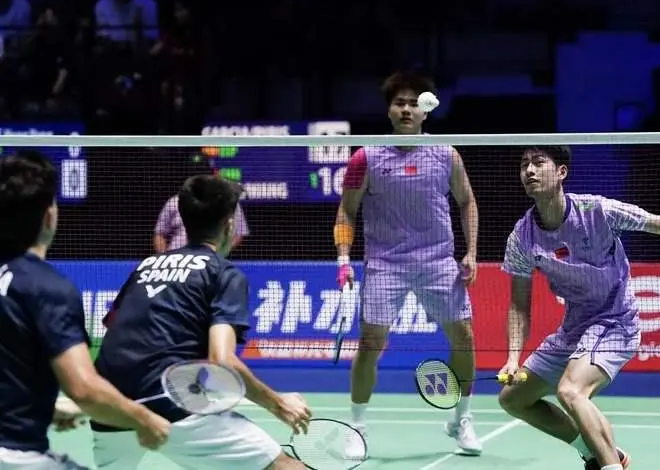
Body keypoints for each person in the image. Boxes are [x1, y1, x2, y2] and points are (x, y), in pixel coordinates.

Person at [91, 175, 311, 470]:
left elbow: (114, 330)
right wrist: (278, 403)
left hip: (108, 402)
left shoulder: (145, 266)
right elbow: (222, 361)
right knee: (286, 467)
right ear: (229, 224)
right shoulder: (223, 273)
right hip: (169, 397)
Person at [335, 70, 481, 457]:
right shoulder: (365, 158)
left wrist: (471, 251)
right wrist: (343, 257)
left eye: (414, 103)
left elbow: (466, 201)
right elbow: (347, 211)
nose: (406, 109)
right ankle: (357, 426)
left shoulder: (446, 154)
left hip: (438, 261)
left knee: (464, 338)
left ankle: (462, 418)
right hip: (386, 264)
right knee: (370, 344)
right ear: (389, 110)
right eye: (399, 102)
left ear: (425, 111)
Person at [0, 151, 170, 469]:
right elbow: (83, 388)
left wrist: (41, 409)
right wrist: (143, 418)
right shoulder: (47, 287)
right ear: (49, 215)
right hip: (16, 456)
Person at [498, 145, 660, 470]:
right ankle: (595, 451)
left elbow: (654, 223)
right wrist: (513, 358)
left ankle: (610, 466)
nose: (529, 171)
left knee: (571, 391)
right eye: (524, 164)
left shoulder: (596, 211)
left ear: (561, 172)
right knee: (513, 399)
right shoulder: (522, 237)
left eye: (538, 162)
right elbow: (518, 305)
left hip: (615, 322)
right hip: (574, 328)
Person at [154, 190, 250, 253]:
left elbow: (239, 233)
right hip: (176, 258)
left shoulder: (229, 203)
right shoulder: (175, 201)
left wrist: (219, 253)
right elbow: (159, 234)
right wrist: (164, 257)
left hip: (210, 259)